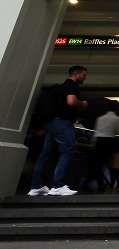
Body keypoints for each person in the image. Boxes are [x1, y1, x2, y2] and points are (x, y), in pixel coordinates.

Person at [29, 66, 88, 197]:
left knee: (45, 154)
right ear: (76, 74)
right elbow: (71, 101)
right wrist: (82, 104)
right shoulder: (71, 85)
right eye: (83, 75)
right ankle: (58, 186)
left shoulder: (60, 87)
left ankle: (36, 186)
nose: (85, 77)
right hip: (63, 123)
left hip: (51, 123)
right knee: (67, 152)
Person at [90, 100, 119, 192]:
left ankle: (98, 183)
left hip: (98, 140)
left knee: (97, 163)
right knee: (104, 163)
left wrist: (93, 144)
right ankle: (102, 183)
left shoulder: (100, 118)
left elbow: (95, 132)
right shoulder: (117, 119)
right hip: (108, 140)